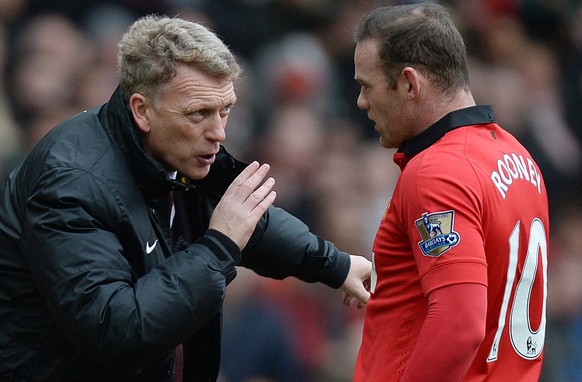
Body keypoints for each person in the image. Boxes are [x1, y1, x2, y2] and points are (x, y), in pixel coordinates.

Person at [0, 15, 372, 382]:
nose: (219, 132)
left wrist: (335, 265)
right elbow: (117, 331)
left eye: (225, 110)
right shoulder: (69, 183)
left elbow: (247, 219)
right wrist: (219, 246)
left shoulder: (177, 149)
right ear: (142, 110)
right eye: (200, 113)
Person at [351, 4, 549, 381]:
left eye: (366, 85)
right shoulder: (518, 157)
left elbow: (460, 326)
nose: (361, 101)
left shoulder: (436, 171)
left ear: (409, 84)